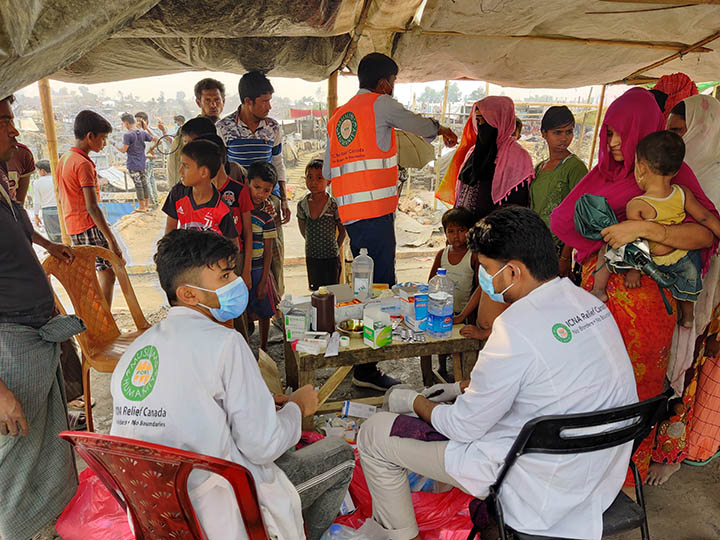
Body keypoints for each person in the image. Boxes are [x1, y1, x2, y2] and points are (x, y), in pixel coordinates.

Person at [357, 206, 638, 540]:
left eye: (488, 270)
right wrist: (460, 388)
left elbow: (462, 426)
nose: (485, 278)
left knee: (374, 434)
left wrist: (415, 401)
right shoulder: (589, 305)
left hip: (537, 489)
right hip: (601, 475)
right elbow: (547, 376)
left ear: (513, 271)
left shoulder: (514, 327)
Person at [110, 228, 354, 540]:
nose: (237, 282)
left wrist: (262, 403)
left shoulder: (137, 350)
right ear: (189, 294)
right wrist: (297, 408)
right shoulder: (225, 343)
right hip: (221, 507)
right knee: (339, 454)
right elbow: (262, 446)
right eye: (225, 277)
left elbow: (186, 410)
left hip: (156, 507)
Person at [550, 87, 719, 489]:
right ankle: (583, 471)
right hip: (599, 300)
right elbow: (565, 221)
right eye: (608, 132)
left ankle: (626, 475)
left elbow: (706, 234)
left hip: (649, 306)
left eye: (620, 133)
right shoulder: (600, 175)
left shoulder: (675, 178)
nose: (612, 142)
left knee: (636, 386)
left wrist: (644, 229)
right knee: (590, 384)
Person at [324, 52, 458, 390]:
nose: (393, 88)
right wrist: (440, 129)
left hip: (351, 215)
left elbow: (327, 169)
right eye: (394, 82)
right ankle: (367, 370)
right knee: (380, 288)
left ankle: (364, 358)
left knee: (367, 285)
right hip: (374, 213)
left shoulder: (339, 116)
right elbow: (418, 123)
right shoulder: (380, 104)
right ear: (385, 82)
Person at [0, 93, 84, 540]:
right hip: (9, 346)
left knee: (46, 444)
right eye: (4, 121)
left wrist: (47, 246)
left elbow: (18, 224)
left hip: (33, 334)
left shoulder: (2, 177)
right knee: (14, 452)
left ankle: (50, 526)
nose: (14, 130)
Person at [649, 94, 720, 484]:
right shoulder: (676, 177)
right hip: (671, 280)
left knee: (685, 368)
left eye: (680, 131)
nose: (674, 140)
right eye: (670, 131)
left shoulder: (714, 176)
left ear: (704, 130)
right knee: (664, 363)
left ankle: (669, 453)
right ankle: (647, 444)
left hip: (707, 289)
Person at [589, 131, 720, 327]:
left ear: (641, 167)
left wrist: (635, 271)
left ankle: (598, 290)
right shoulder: (683, 193)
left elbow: (636, 243)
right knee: (689, 279)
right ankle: (687, 317)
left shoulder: (637, 205)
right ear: (676, 171)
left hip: (653, 260)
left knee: (604, 251)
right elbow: (705, 217)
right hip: (680, 256)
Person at [216, 71, 290, 300]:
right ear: (248, 101)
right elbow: (221, 168)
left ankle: (275, 305)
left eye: (270, 100)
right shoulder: (224, 128)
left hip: (268, 200)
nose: (269, 107)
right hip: (237, 204)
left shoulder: (273, 127)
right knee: (240, 254)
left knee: (273, 254)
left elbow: (278, 164)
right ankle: (243, 309)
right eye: (264, 101)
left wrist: (283, 200)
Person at [57, 110, 125, 309]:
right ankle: (103, 318)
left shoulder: (65, 158)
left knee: (91, 277)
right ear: (90, 136)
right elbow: (92, 207)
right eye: (103, 138)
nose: (104, 143)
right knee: (107, 274)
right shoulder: (83, 164)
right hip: (88, 225)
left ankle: (95, 316)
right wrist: (112, 240)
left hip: (73, 225)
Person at [436, 96, 534, 223]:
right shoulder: (474, 152)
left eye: (486, 121)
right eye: (478, 120)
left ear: (501, 121)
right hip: (465, 230)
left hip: (496, 231)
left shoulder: (517, 157)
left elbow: (518, 207)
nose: (481, 126)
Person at [530, 105, 588, 277]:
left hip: (557, 250)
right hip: (534, 246)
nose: (564, 138)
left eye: (569, 132)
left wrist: (565, 257)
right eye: (558, 132)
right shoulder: (539, 167)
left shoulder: (575, 167)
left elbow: (579, 214)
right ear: (544, 133)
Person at [195, 133, 253, 289]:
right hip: (205, 260)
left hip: (235, 259)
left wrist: (247, 270)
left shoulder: (239, 191)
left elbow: (248, 232)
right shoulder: (196, 193)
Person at [162, 139, 239, 249]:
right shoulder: (178, 193)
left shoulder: (222, 210)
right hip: (184, 257)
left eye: (186, 166)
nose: (180, 171)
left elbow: (234, 247)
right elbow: (170, 232)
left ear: (203, 172)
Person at [165, 78, 227, 188]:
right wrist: (176, 192)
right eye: (207, 100)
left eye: (217, 100)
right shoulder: (186, 133)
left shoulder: (228, 131)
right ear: (198, 102)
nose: (213, 105)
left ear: (223, 101)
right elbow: (174, 166)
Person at [246, 161, 280, 351]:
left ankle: (264, 346)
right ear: (248, 183)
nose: (260, 193)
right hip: (242, 268)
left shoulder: (267, 217)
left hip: (259, 270)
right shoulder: (239, 212)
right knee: (244, 310)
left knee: (264, 310)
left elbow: (268, 252)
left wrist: (264, 279)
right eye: (256, 187)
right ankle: (245, 345)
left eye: (266, 190)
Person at [297, 159, 346, 290]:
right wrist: (313, 242)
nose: (313, 182)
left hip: (331, 257)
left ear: (328, 181)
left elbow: (342, 231)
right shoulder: (302, 205)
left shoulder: (333, 205)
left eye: (319, 178)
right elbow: (303, 228)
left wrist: (335, 248)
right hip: (312, 256)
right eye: (309, 177)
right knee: (316, 291)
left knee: (332, 291)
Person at [112, 113, 156, 213]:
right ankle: (146, 205)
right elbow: (154, 139)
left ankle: (141, 207)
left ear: (126, 123)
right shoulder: (142, 132)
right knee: (144, 184)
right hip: (142, 163)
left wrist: (114, 145)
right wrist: (146, 129)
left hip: (132, 164)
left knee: (138, 185)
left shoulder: (128, 135)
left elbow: (123, 150)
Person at [32, 159, 62, 243]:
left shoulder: (37, 183)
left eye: (38, 170)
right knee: (64, 234)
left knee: (54, 238)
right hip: (61, 209)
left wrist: (36, 215)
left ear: (42, 171)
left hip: (47, 211)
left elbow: (37, 201)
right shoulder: (58, 179)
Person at [134, 111, 160, 207]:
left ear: (146, 121)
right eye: (136, 121)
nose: (137, 123)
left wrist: (150, 149)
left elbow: (158, 141)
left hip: (147, 160)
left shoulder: (146, 132)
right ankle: (154, 200)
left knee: (146, 181)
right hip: (145, 159)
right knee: (150, 180)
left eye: (139, 121)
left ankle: (151, 202)